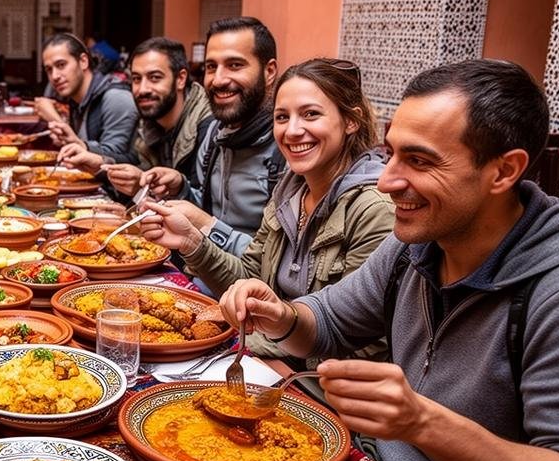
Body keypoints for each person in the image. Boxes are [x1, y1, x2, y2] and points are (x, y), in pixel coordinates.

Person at [217, 59, 559, 461]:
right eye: (390, 153)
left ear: (504, 171)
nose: (387, 182)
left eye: (419, 161)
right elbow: (327, 321)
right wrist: (279, 313)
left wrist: (422, 423)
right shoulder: (418, 245)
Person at [141, 58, 393, 363]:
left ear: (350, 121)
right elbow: (249, 276)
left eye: (311, 114)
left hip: (314, 387)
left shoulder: (375, 209)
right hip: (266, 361)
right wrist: (192, 243)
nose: (293, 131)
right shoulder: (291, 190)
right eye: (282, 117)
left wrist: (265, 339)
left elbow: (359, 342)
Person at [141, 17, 285, 257]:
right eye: (211, 67)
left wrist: (207, 224)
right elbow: (207, 204)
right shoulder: (213, 133)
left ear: (269, 71)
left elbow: (282, 260)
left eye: (235, 65)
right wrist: (181, 188)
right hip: (203, 275)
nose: (218, 80)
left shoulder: (287, 146)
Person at [104, 37, 213, 198]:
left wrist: (141, 190)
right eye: (136, 79)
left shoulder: (207, 127)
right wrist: (100, 161)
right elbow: (136, 164)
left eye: (154, 77)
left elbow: (204, 208)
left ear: (180, 79)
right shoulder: (150, 122)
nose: (142, 89)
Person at [35, 32, 138, 168]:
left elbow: (113, 159)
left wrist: (56, 120)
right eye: (49, 70)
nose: (54, 76)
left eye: (61, 65)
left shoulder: (116, 98)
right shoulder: (76, 98)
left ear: (83, 61)